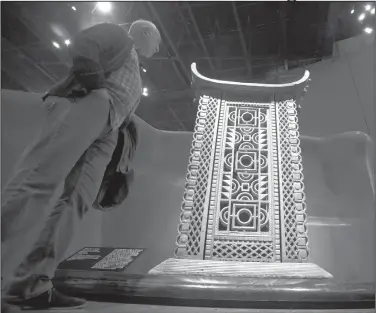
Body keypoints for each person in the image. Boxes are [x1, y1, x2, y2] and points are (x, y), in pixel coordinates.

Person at [1, 19, 161, 311]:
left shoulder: (136, 65)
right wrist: (97, 88)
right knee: (38, 181)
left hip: (108, 128)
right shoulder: (117, 35)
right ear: (146, 33)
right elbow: (84, 44)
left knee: (77, 202)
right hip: (89, 103)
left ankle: (30, 284)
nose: (158, 47)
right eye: (158, 41)